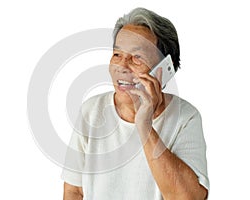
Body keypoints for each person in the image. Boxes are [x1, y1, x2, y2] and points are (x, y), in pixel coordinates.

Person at [61, 7, 209, 200]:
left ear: (164, 68)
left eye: (137, 57)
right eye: (117, 55)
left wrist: (144, 125)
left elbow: (188, 198)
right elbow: (74, 191)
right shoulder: (92, 111)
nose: (122, 66)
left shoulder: (185, 118)